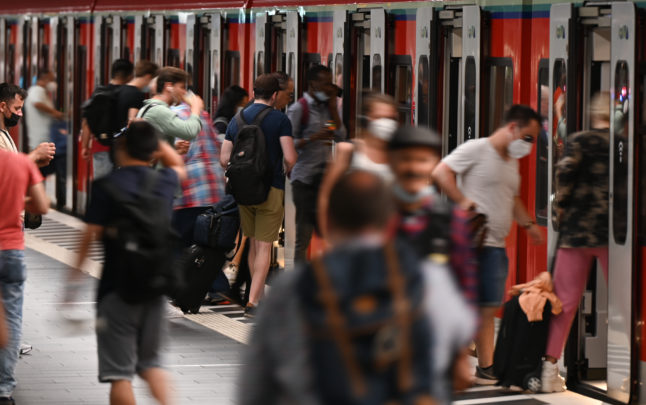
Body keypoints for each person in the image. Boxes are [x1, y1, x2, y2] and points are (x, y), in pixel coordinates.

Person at [240, 170, 434, 405]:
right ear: (391, 222)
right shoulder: (416, 283)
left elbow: (256, 386)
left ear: (327, 221)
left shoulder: (291, 288)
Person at [73, 121, 186, 405]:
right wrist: (156, 143)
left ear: (121, 148)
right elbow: (177, 164)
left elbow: (88, 239)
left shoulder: (105, 187)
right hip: (156, 285)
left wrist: (71, 286)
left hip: (116, 289)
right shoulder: (164, 181)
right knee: (151, 364)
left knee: (120, 374)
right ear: (152, 151)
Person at [431, 105, 545, 385]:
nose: (529, 145)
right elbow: (441, 172)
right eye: (528, 137)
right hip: (470, 242)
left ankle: (484, 365)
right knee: (469, 303)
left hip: (495, 244)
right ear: (512, 129)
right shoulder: (476, 149)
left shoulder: (510, 161)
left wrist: (529, 225)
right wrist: (461, 200)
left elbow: (512, 197)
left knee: (488, 304)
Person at [388, 126, 477, 403]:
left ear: (433, 165)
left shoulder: (450, 220)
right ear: (392, 161)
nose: (414, 167)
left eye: (422, 159)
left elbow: (465, 286)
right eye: (406, 159)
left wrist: (462, 355)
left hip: (433, 356)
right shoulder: (373, 213)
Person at [540, 92, 611, 393]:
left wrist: (561, 210)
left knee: (565, 302)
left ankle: (548, 369)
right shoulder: (627, 144)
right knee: (625, 304)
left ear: (594, 113)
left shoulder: (580, 140)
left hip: (576, 233)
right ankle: (631, 366)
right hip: (615, 236)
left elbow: (564, 172)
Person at [220, 74, 297, 317]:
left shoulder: (237, 118)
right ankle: (253, 302)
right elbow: (290, 156)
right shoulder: (280, 120)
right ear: (275, 95)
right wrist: (286, 169)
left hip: (243, 190)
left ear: (254, 92)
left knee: (253, 242)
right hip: (270, 188)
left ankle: (257, 296)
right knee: (265, 246)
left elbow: (224, 158)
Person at [0, 148, 49, 405]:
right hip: (11, 251)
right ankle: (4, 389)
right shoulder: (20, 162)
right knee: (12, 318)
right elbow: (41, 206)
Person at [317, 92, 399, 238]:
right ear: (367, 118)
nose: (386, 123)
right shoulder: (349, 151)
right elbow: (326, 195)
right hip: (351, 236)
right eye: (379, 117)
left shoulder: (398, 155)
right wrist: (327, 238)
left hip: (389, 237)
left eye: (390, 118)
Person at [287, 65, 346, 263]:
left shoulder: (326, 108)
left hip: (324, 178)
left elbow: (341, 135)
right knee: (303, 234)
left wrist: (332, 108)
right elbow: (289, 142)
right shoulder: (298, 109)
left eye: (331, 82)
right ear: (313, 84)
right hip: (304, 179)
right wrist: (312, 138)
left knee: (330, 230)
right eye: (325, 83)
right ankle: (299, 280)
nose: (329, 87)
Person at [81, 58, 134, 179]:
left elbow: (87, 122)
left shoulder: (99, 93)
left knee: (103, 188)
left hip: (101, 145)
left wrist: (85, 146)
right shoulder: (130, 95)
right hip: (124, 149)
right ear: (130, 75)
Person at [24, 69, 67, 207]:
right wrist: (55, 113)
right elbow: (37, 103)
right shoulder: (37, 90)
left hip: (44, 140)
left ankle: (39, 199)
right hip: (42, 141)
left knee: (43, 172)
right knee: (44, 172)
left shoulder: (38, 91)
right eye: (51, 79)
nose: (53, 83)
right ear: (44, 79)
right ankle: (39, 201)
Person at [137, 67, 203, 147]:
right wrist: (196, 109)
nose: (184, 92)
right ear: (168, 86)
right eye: (182, 87)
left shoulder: (150, 107)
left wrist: (173, 148)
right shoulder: (159, 110)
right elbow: (189, 132)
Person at [0, 83, 55, 165]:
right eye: (17, 108)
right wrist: (36, 154)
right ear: (3, 106)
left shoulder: (4, 132)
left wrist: (35, 163)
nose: (20, 114)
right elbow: (8, 168)